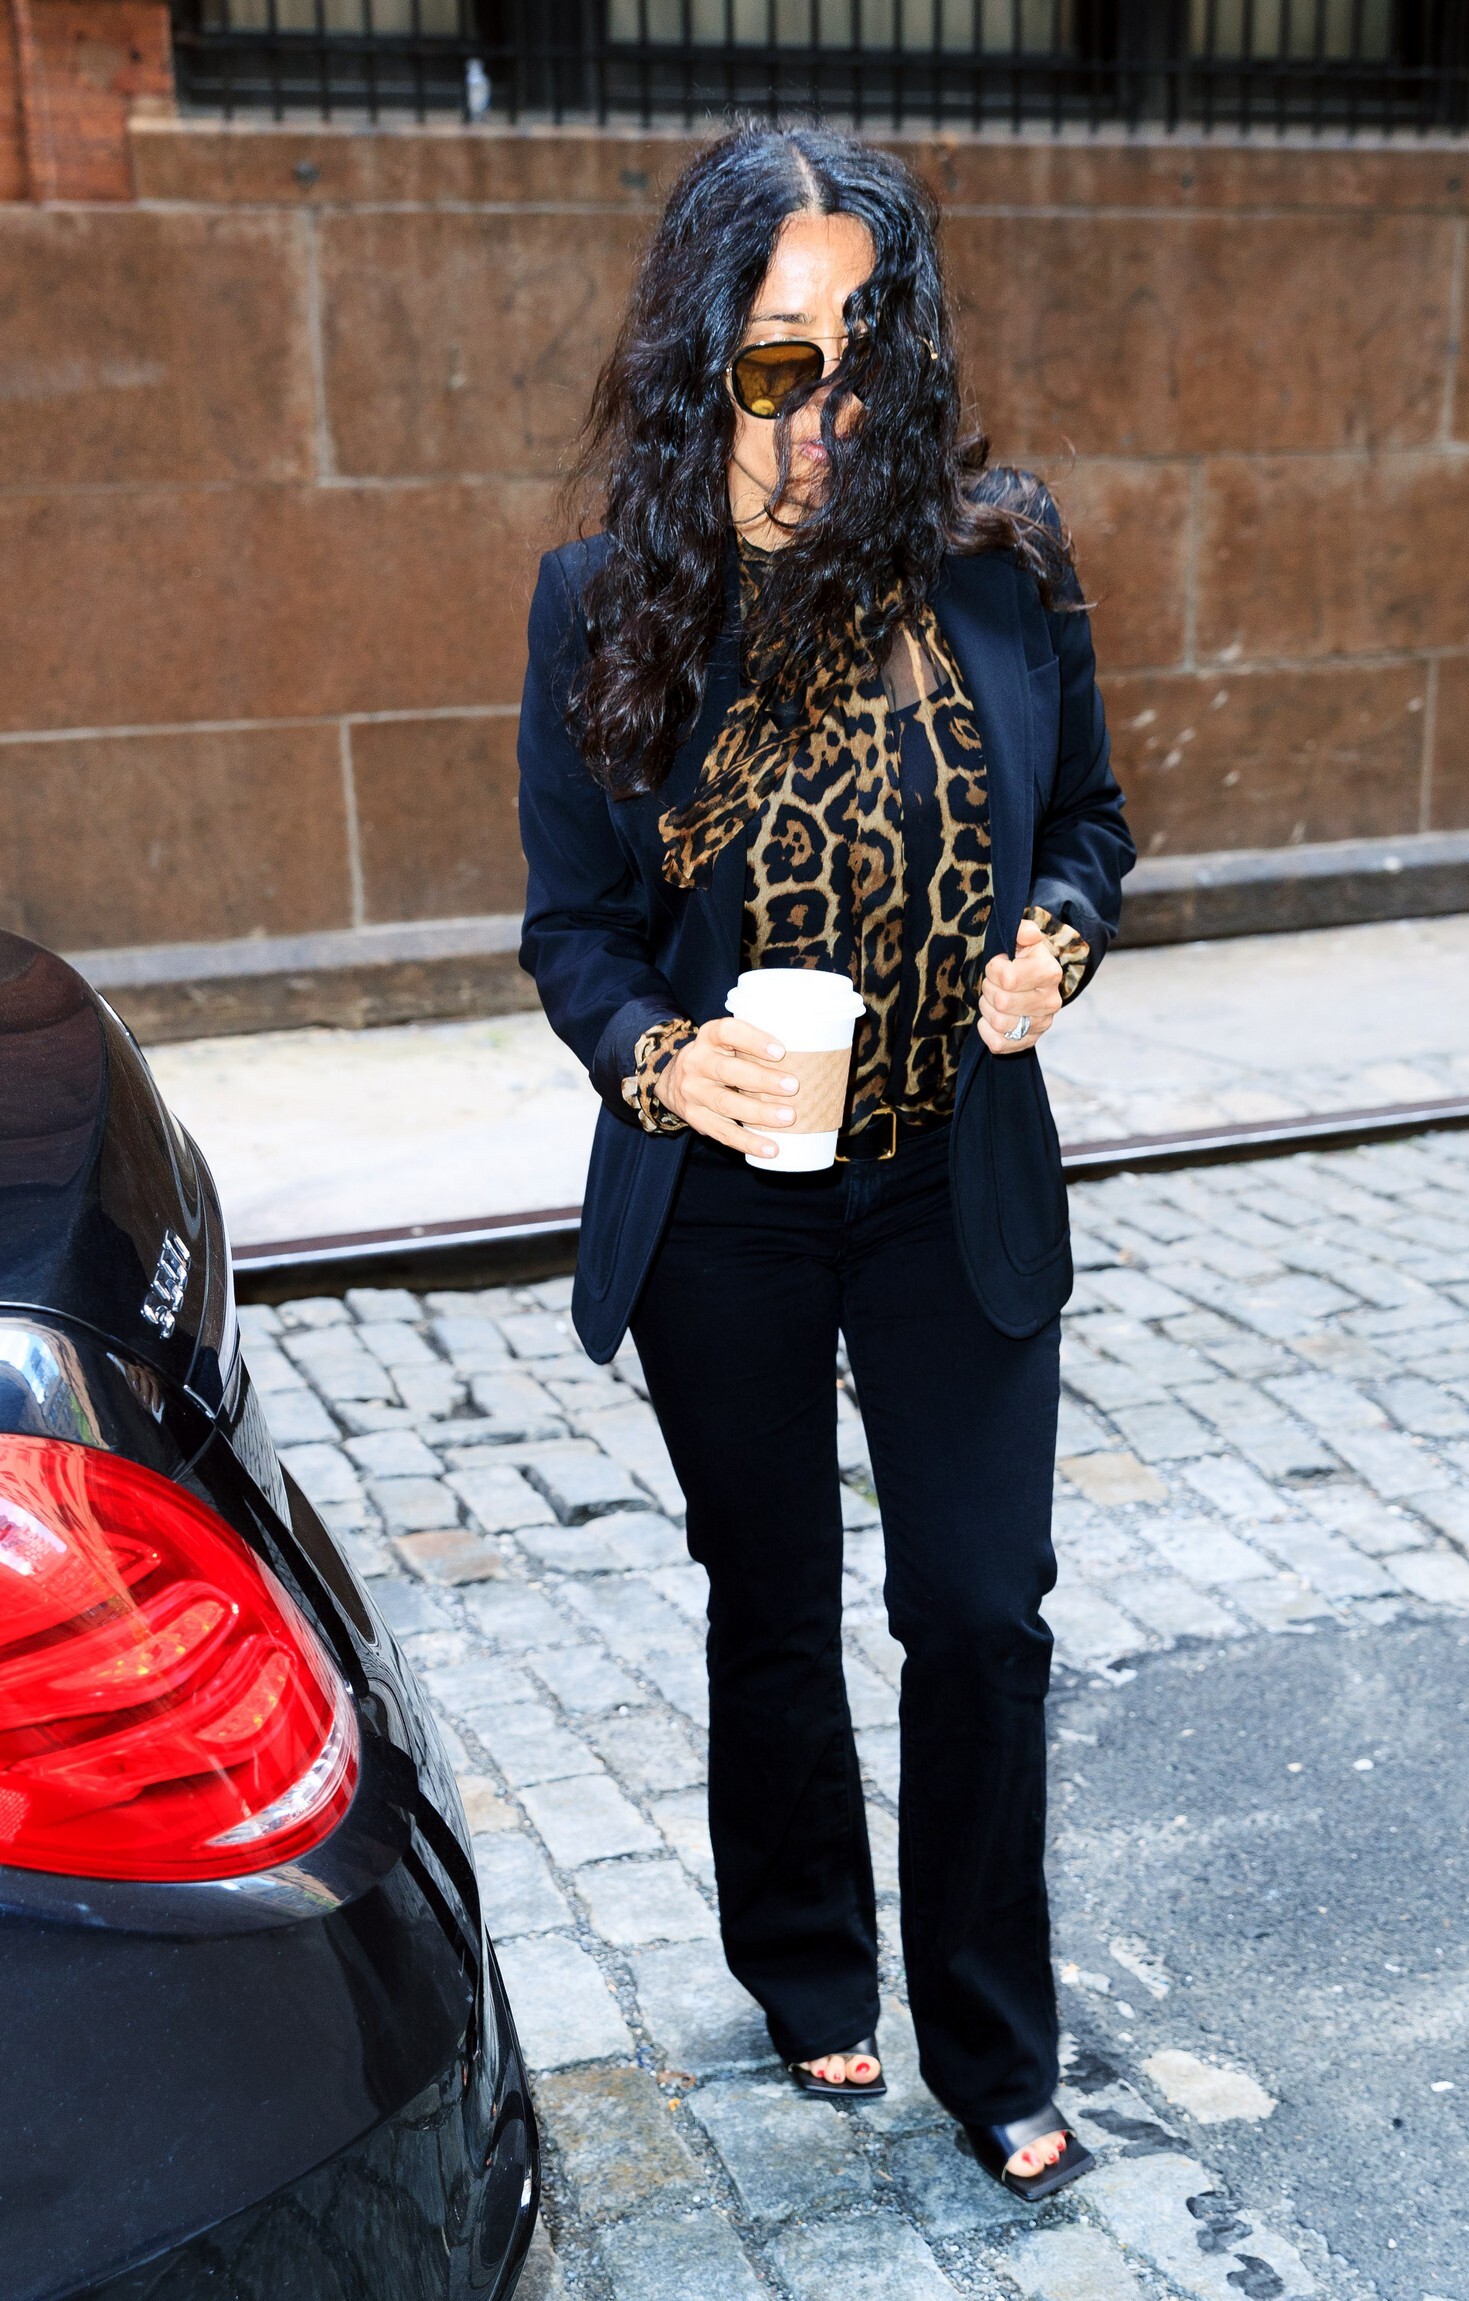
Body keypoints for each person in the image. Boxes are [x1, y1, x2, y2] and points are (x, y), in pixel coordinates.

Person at [517, 122, 1134, 2200]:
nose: (826, 407)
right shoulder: (610, 604)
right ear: (702, 360)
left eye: (866, 351)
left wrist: (1055, 940)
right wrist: (658, 1060)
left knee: (980, 1608)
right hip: (730, 1206)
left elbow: (1091, 825)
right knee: (769, 1597)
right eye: (780, 356)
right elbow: (574, 929)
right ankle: (804, 1961)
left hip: (947, 1165)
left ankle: (995, 2034)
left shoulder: (1000, 560)